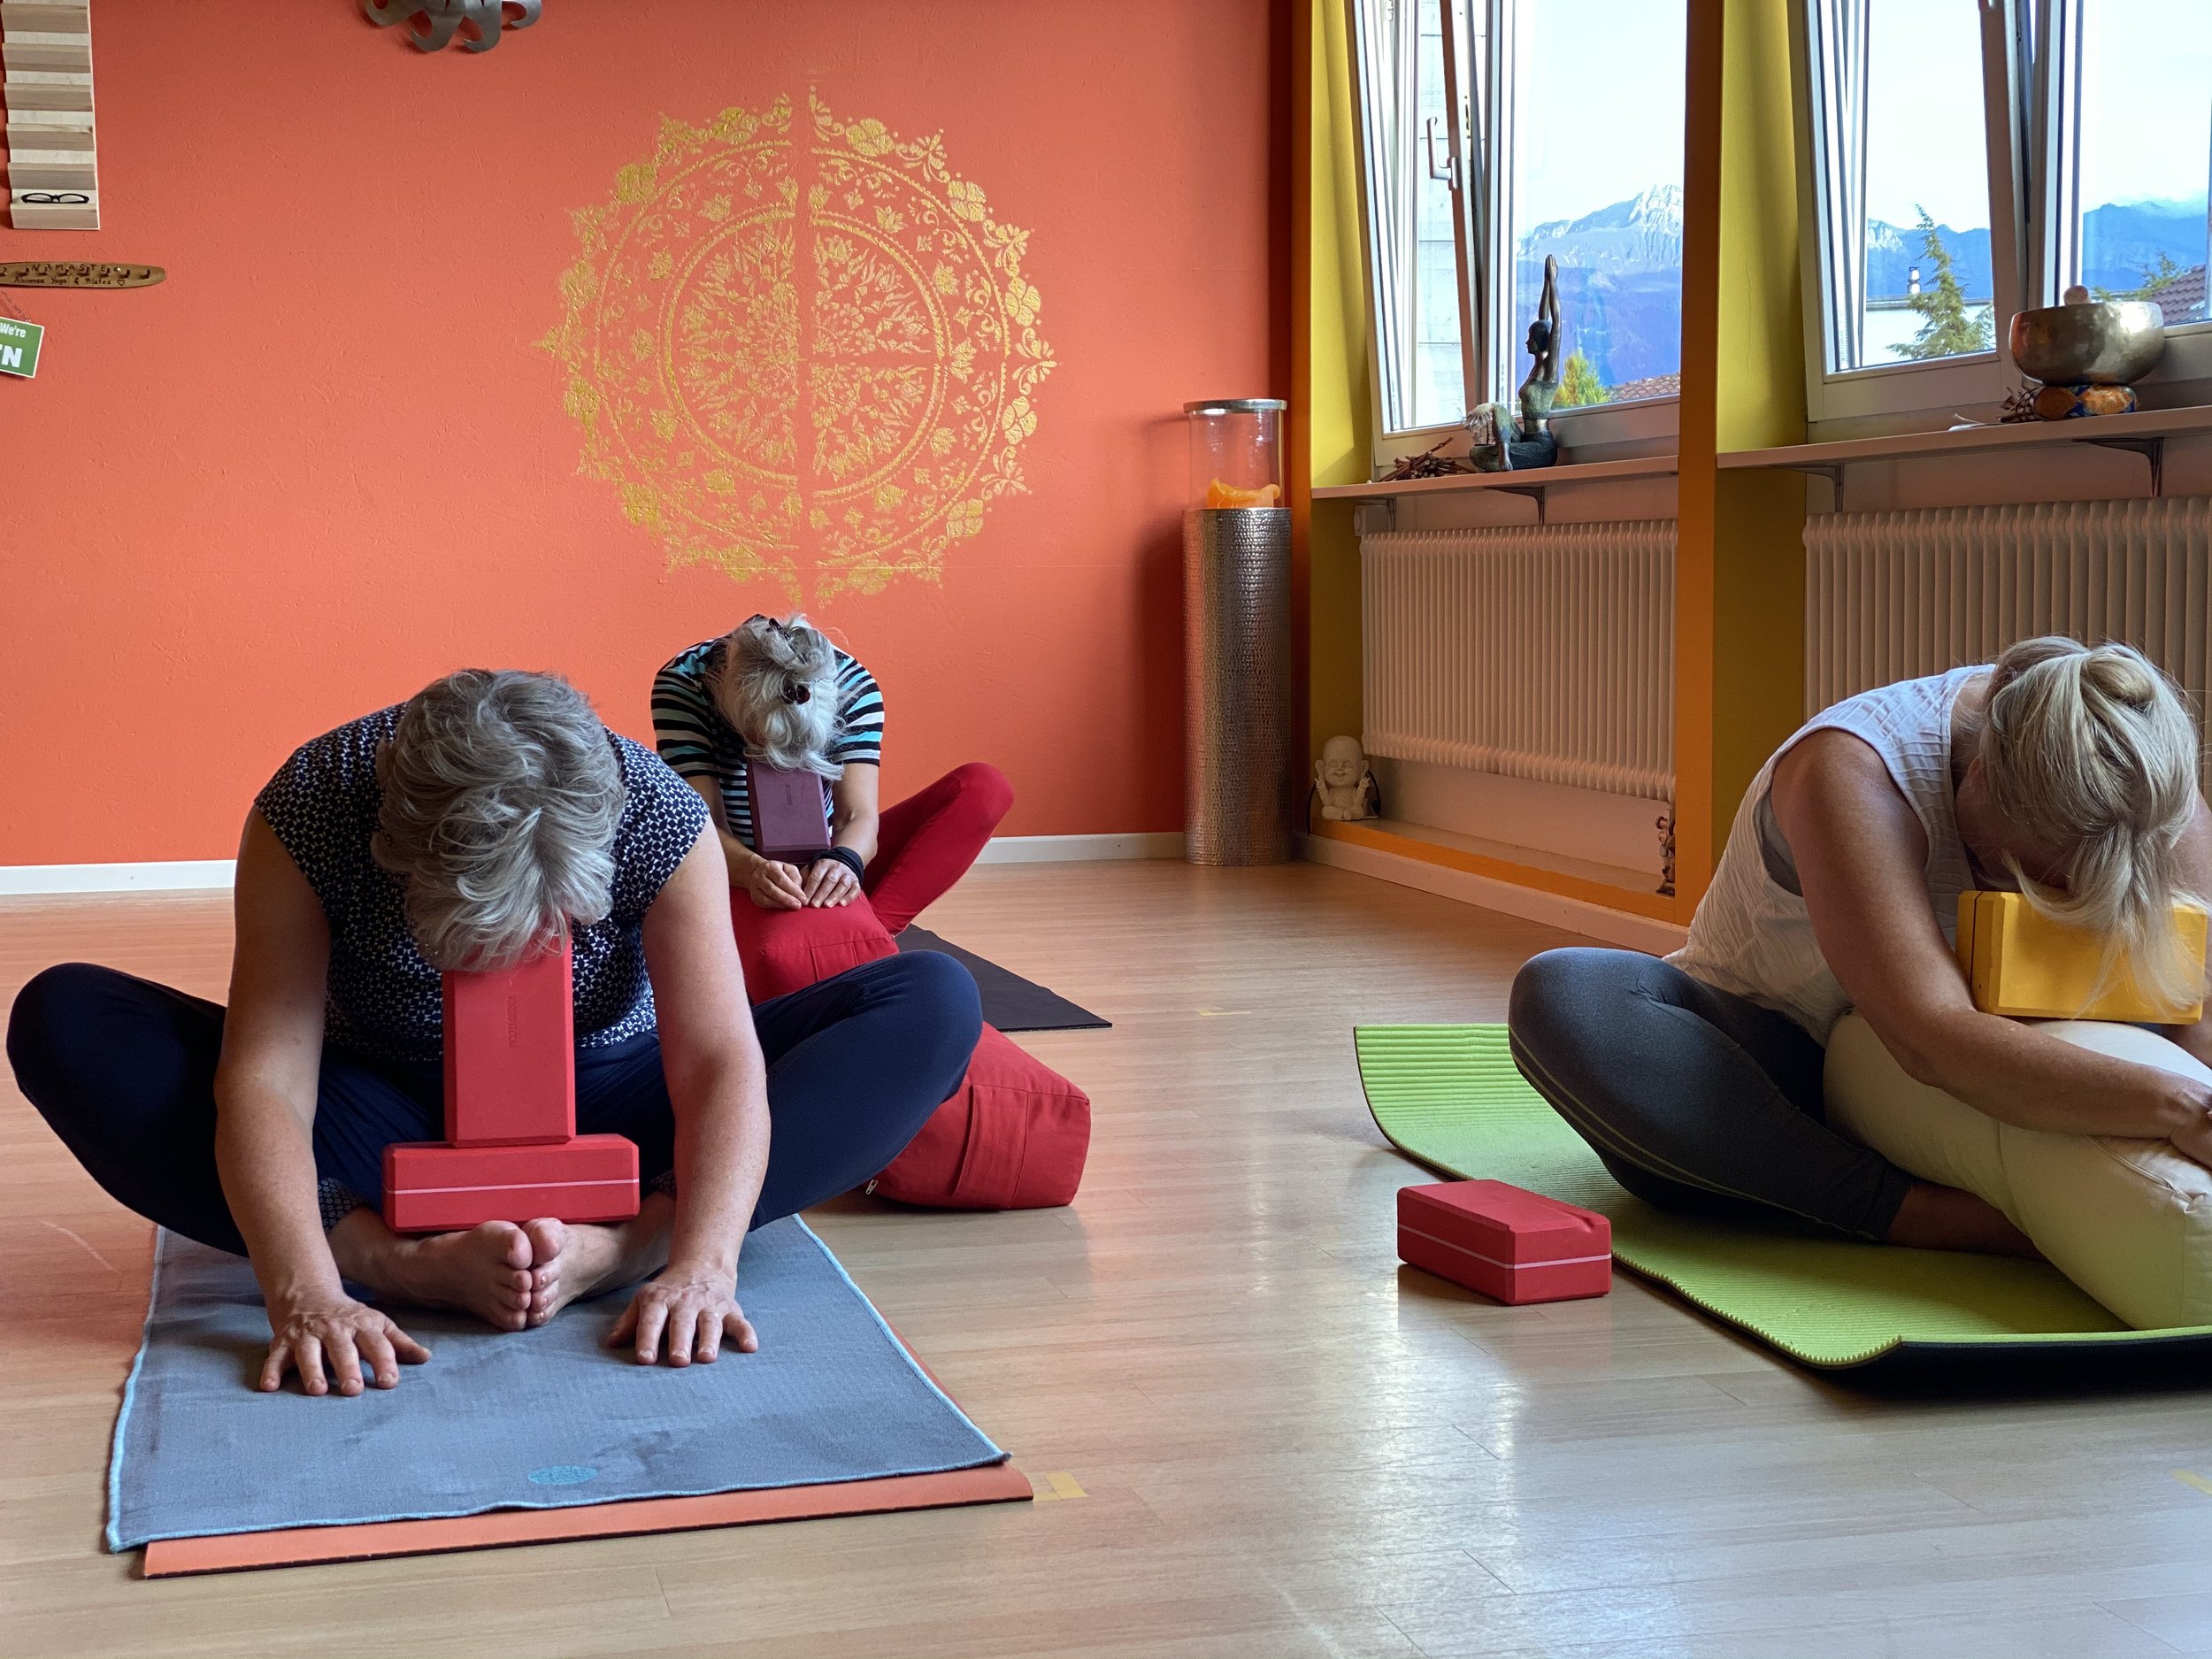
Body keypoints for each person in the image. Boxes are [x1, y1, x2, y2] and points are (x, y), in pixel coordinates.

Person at [6, 670, 980, 1396]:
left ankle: (621, 1246)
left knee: (934, 1002)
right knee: (65, 1016)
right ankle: (387, 1256)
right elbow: (267, 1078)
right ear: (397, 851)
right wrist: (311, 1291)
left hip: (611, 1092)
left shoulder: (658, 811)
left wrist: (699, 1261)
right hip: (377, 1102)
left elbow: (718, 1061)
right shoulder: (313, 807)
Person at [1509, 636, 2212, 1254]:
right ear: (1980, 773)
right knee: (1566, 995)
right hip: (1776, 1077)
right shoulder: (1855, 766)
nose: (2038, 894)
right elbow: (1931, 1036)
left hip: (1997, 1083)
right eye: (2012, 869)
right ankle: (1919, 1216)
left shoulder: (2139, 785)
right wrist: (2181, 1106)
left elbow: (2200, 1013)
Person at [651, 614, 1011, 942]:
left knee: (984, 788)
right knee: (788, 953)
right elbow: (700, 829)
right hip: (731, 865)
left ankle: (863, 934)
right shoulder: (684, 684)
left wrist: (844, 861)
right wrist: (753, 871)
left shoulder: (852, 685)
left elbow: (856, 815)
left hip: (826, 850)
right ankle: (849, 937)